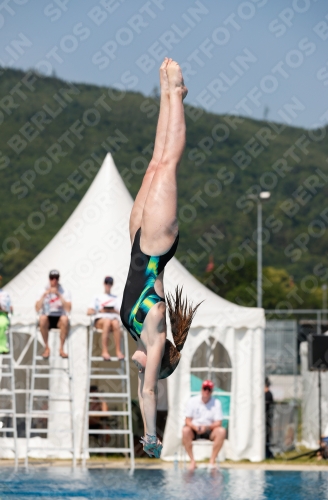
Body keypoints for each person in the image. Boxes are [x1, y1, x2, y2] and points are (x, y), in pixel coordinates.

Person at [120, 58, 200, 458]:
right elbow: (148, 389)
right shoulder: (154, 333)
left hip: (137, 239)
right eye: (149, 365)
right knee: (169, 164)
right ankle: (178, 94)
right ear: (162, 359)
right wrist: (151, 437)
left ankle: (167, 93)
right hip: (155, 246)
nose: (141, 367)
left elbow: (139, 383)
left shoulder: (137, 330)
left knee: (155, 161)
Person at [182, 380, 226, 471]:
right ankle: (192, 461)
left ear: (211, 391)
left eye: (209, 389)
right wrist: (195, 427)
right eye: (205, 389)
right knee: (185, 430)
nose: (207, 391)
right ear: (201, 389)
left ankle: (212, 461)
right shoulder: (192, 401)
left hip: (209, 429)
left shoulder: (216, 403)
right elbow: (187, 420)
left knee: (221, 431)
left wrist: (206, 428)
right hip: (194, 429)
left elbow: (218, 422)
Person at [35, 270, 71, 359]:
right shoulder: (42, 290)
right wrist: (44, 295)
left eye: (56, 278)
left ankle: (61, 349)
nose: (54, 280)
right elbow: (37, 308)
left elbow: (68, 309)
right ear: (49, 279)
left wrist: (59, 295)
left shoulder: (64, 291)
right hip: (47, 317)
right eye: (52, 278)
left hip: (59, 318)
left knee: (65, 319)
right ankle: (46, 347)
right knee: (42, 318)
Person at [87, 276, 124, 360]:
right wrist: (100, 311)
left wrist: (112, 311)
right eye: (107, 282)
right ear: (104, 283)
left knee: (115, 322)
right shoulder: (97, 297)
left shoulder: (116, 298)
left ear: (112, 284)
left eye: (110, 283)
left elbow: (121, 313)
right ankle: (104, 351)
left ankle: (118, 351)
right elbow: (88, 311)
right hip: (100, 321)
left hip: (113, 322)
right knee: (107, 321)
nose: (108, 285)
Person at [0, 276, 13, 354]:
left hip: (2, 315)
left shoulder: (5, 294)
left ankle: (2, 347)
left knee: (2, 323)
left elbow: (9, 309)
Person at [265, 377, 274, 459]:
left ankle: (268, 452)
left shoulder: (268, 394)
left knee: (267, 436)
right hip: (265, 419)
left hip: (267, 419)